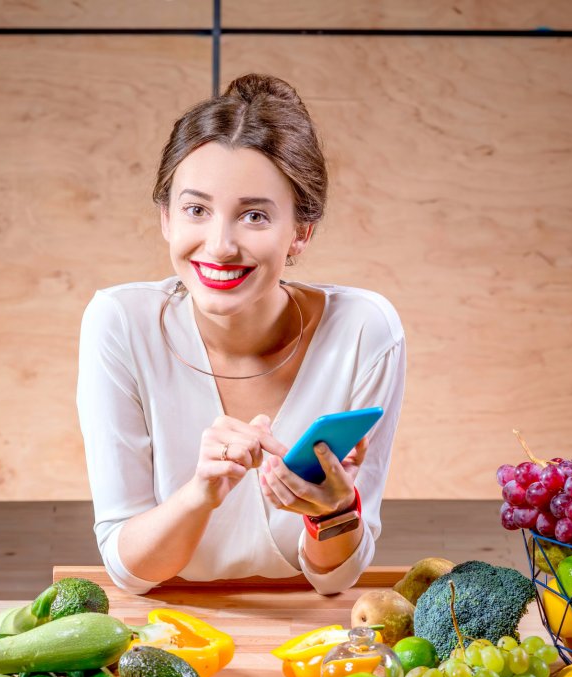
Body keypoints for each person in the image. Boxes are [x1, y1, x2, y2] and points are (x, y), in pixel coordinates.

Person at [77, 74, 406, 595]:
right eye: (196, 210)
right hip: (166, 624)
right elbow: (130, 569)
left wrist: (333, 510)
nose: (220, 245)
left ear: (300, 232)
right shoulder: (120, 322)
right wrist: (202, 492)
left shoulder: (365, 331)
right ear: (166, 218)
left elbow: (336, 579)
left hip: (306, 628)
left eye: (254, 215)